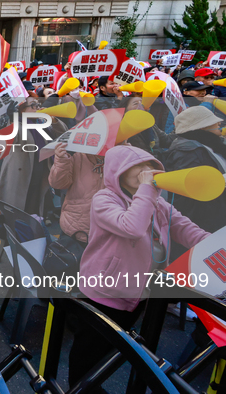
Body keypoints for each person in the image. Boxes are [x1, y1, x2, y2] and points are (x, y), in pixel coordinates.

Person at [69, 145, 210, 392]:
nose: (147, 172)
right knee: (88, 350)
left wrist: (216, 246)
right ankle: (78, 387)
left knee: (114, 348)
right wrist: (147, 189)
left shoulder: (156, 202)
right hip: (104, 292)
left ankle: (93, 383)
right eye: (139, 167)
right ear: (117, 171)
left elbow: (187, 229)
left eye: (151, 167)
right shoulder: (104, 199)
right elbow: (131, 226)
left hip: (137, 294)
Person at [0, 98, 68, 260]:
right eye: (33, 105)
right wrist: (12, 117)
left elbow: (63, 133)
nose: (38, 107)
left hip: (36, 179)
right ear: (22, 109)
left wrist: (54, 119)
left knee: (30, 213)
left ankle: (21, 248)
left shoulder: (43, 125)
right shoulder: (18, 125)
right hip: (16, 177)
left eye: (38, 104)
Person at [165, 106, 226, 234]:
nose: (219, 123)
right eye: (213, 121)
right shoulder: (187, 151)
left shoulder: (209, 144)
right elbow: (192, 191)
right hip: (207, 222)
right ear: (203, 126)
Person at [48, 142, 105, 246]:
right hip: (75, 228)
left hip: (109, 230)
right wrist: (61, 161)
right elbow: (58, 184)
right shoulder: (78, 156)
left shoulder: (123, 157)